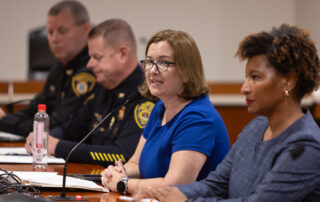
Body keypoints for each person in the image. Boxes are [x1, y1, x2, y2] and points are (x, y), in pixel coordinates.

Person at [135, 24, 320, 202]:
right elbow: (215, 185)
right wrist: (164, 193)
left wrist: (182, 199)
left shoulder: (307, 145)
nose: (244, 88)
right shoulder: (256, 127)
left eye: (255, 77)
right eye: (246, 77)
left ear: (288, 82)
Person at [101, 30, 230, 194]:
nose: (152, 70)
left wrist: (124, 184)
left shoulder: (199, 119)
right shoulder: (160, 108)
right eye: (149, 62)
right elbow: (136, 163)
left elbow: (174, 186)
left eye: (163, 63)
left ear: (186, 72)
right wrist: (117, 173)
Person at [25, 19, 155, 166]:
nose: (89, 64)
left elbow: (123, 155)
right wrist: (44, 137)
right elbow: (70, 129)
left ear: (123, 54)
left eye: (97, 57)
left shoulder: (146, 95)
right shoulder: (103, 88)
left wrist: (57, 146)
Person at [0, 0, 96, 137]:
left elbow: (57, 124)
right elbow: (36, 109)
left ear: (85, 29)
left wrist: (5, 121)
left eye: (62, 31)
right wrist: (5, 120)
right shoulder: (59, 65)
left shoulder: (91, 69)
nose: (54, 39)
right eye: (50, 32)